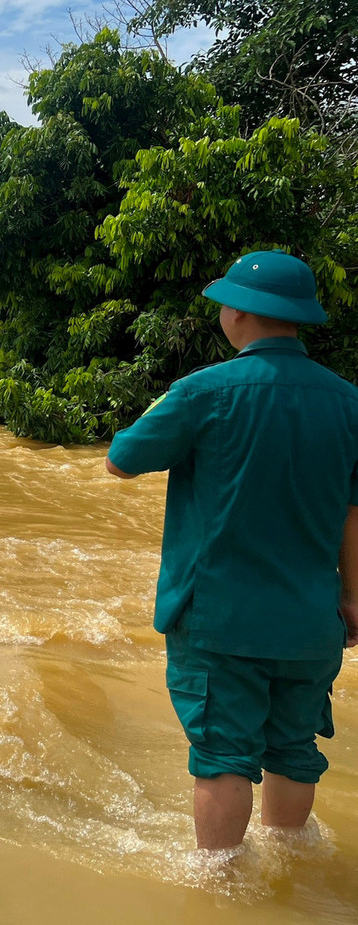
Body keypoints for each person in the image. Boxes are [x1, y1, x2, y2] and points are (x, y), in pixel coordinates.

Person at [105, 250, 358, 851]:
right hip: (312, 619)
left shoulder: (204, 391)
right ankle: (289, 874)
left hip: (222, 618)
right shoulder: (349, 402)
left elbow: (120, 461)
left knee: (222, 756)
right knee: (295, 751)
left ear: (240, 312)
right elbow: (353, 513)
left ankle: (219, 896)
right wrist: (351, 599)